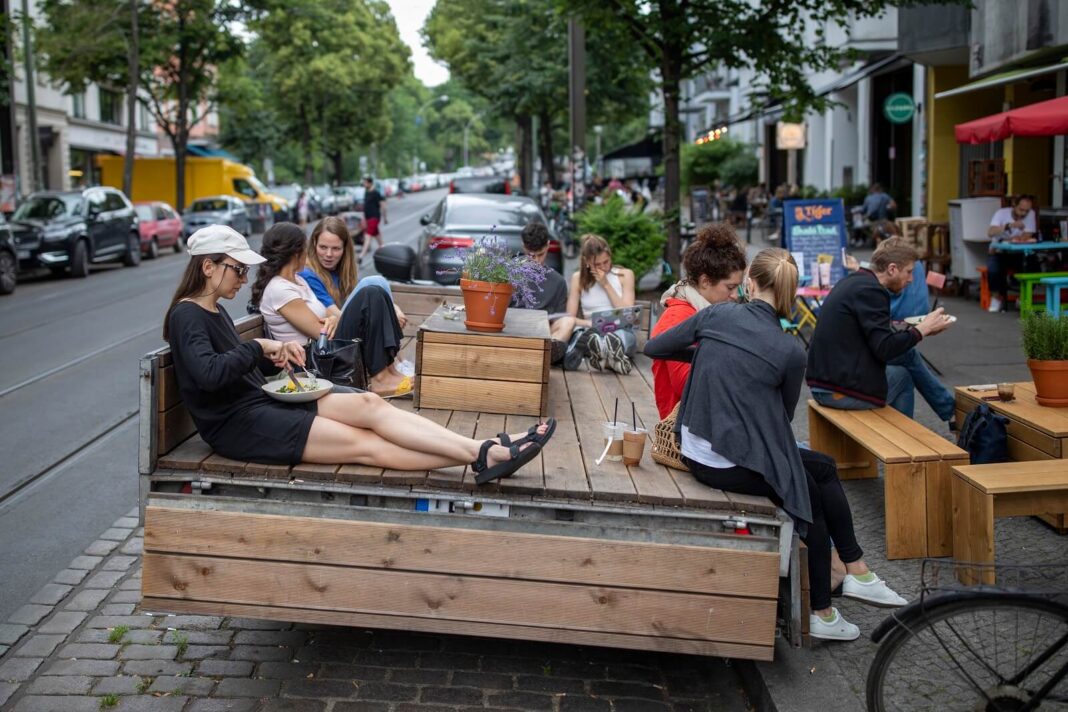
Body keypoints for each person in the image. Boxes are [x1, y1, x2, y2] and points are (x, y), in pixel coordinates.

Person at [644, 248, 905, 641]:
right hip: (721, 461)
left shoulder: (717, 315)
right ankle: (830, 601)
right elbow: (778, 423)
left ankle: (848, 583)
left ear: (750, 283)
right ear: (790, 294)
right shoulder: (790, 351)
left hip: (695, 446)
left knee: (819, 472)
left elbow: (654, 347)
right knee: (810, 491)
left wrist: (710, 352)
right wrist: (716, 357)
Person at [163, 224, 554, 483]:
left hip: (261, 401)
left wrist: (272, 354)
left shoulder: (210, 310)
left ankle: (483, 447)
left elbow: (231, 364)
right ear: (209, 266)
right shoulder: (187, 315)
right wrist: (258, 346)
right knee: (364, 445)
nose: (244, 278)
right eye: (237, 269)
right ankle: (484, 455)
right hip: (241, 425)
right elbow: (209, 374)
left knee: (370, 404)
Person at [252, 222, 412, 399]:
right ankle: (380, 379)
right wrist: (332, 321)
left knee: (375, 289)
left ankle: (390, 372)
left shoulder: (298, 281)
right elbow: (318, 331)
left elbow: (329, 316)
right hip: (314, 361)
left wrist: (334, 320)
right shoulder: (279, 289)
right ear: (296, 253)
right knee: (370, 292)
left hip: (327, 350)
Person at [807, 238, 953, 415]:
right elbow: (884, 348)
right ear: (892, 269)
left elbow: (880, 342)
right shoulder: (873, 291)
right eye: (909, 272)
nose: (911, 279)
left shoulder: (855, 281)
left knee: (907, 354)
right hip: (837, 390)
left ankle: (950, 410)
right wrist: (921, 330)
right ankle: (902, 439)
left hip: (827, 379)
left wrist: (922, 331)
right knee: (903, 377)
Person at [651, 222, 746, 418]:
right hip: (687, 429)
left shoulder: (705, 310)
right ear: (705, 282)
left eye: (738, 287)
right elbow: (685, 385)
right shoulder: (679, 317)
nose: (736, 295)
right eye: (730, 287)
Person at [563, 234, 636, 374]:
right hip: (593, 331)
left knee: (619, 337)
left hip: (620, 330)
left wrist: (606, 285)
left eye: (606, 262)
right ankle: (610, 359)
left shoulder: (625, 275)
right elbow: (570, 318)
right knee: (593, 338)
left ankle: (603, 356)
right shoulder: (578, 279)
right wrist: (592, 324)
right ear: (587, 262)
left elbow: (628, 313)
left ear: (610, 256)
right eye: (598, 264)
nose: (603, 267)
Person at [513, 223, 573, 363]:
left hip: (541, 334)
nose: (536, 261)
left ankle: (545, 355)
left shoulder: (558, 281)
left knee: (568, 321)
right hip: (513, 331)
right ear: (523, 247)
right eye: (531, 255)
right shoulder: (508, 272)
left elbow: (558, 319)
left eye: (540, 255)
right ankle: (542, 357)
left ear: (547, 245)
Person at [985, 195, 1037, 313]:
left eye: (1026, 211)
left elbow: (1027, 235)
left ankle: (1023, 297)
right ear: (1014, 205)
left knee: (1033, 265)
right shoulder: (1001, 213)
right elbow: (990, 232)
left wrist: (1018, 238)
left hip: (1018, 252)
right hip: (999, 251)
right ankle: (996, 297)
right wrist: (1009, 226)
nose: (1023, 213)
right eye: (1021, 209)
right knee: (993, 269)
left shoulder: (1031, 214)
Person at [357, 176, 387, 263]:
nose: (364, 184)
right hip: (368, 218)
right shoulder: (366, 193)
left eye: (365, 182)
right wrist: (364, 219)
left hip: (374, 218)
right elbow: (365, 207)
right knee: (378, 238)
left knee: (367, 236)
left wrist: (385, 218)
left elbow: (383, 205)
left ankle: (361, 256)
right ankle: (385, 251)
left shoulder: (376, 193)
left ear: (370, 183)